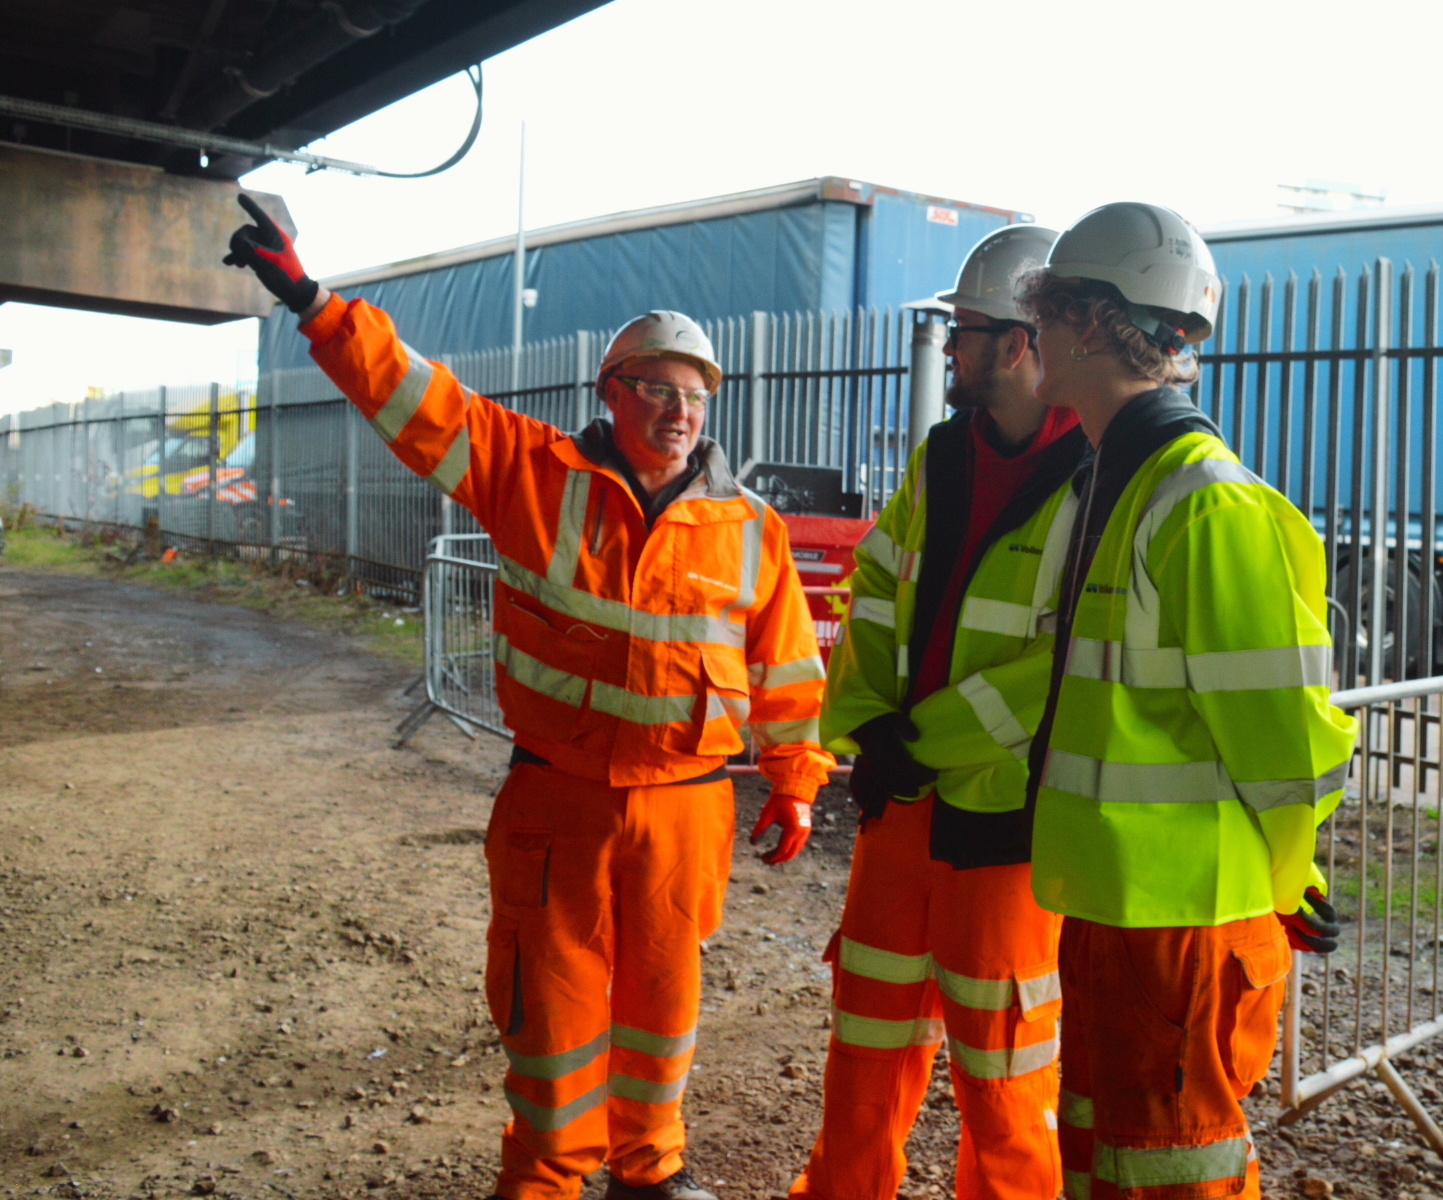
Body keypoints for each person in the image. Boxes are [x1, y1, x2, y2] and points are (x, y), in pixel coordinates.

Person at [222, 195, 833, 1200]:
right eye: (656, 389)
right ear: (612, 391)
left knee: (663, 1004)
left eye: (694, 395)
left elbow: (787, 671)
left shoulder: (751, 530)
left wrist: (796, 779)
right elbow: (416, 402)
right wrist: (313, 301)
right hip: (559, 799)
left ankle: (650, 1170)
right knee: (550, 1016)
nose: (677, 410)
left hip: (687, 807)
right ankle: (547, 1176)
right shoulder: (531, 475)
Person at [1011, 202, 1356, 1200]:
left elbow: (1289, 747)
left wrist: (1287, 879)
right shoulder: (1110, 482)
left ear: (1081, 324)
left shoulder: (1201, 501)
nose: (1029, 338)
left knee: (1173, 1175)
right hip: (1121, 917)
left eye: (1040, 316)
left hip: (1184, 933)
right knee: (1114, 1165)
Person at [789, 224, 1085, 1200]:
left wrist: (917, 742)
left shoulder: (1094, 478)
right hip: (900, 813)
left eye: (961, 331)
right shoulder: (939, 456)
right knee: (864, 1055)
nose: (947, 350)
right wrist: (871, 729)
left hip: (1001, 831)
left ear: (1016, 343)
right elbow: (873, 596)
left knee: (1005, 1089)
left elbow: (1062, 668)